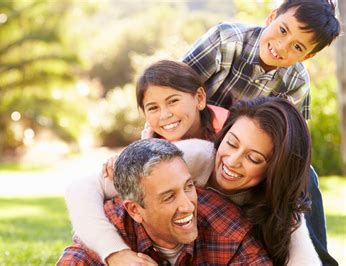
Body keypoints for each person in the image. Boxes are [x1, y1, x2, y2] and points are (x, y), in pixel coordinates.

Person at [66, 97, 319, 265]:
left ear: (274, 170)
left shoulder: (280, 213)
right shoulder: (193, 156)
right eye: (231, 143)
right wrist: (115, 252)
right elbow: (81, 187)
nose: (232, 161)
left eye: (253, 158)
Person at [181, 1, 341, 264]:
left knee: (305, 176)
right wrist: (148, 142)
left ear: (308, 56)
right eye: (283, 30)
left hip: (252, 159)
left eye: (297, 47)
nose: (282, 46)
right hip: (199, 140)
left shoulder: (297, 82)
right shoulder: (226, 40)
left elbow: (292, 147)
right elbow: (171, 91)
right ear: (272, 16)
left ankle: (315, 257)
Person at [58, 139, 272, 265]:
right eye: (169, 197)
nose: (188, 206)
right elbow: (75, 259)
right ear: (135, 210)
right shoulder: (111, 229)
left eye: (189, 187)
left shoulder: (229, 230)